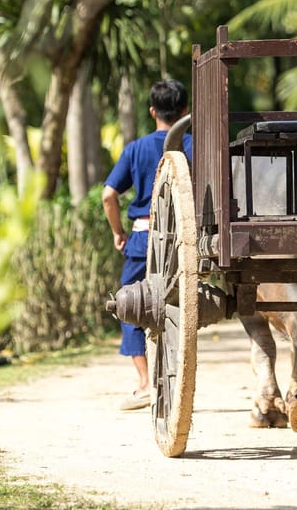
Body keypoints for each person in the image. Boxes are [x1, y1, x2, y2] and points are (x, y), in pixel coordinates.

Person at [102, 79, 191, 411]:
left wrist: (118, 232)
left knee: (129, 305)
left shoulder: (135, 149)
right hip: (185, 244)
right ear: (184, 111)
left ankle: (143, 384)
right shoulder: (194, 146)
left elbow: (109, 195)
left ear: (152, 111)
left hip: (143, 240)